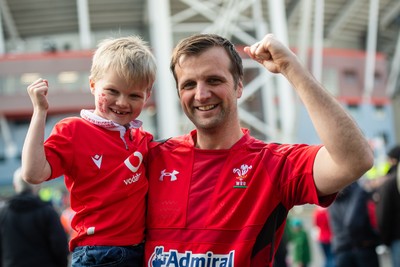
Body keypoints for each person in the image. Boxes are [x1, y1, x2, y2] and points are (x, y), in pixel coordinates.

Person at [145, 33, 373, 267]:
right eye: (189, 85)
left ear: (239, 86)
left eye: (214, 80)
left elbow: (354, 159)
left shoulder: (274, 164)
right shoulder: (152, 158)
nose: (201, 94)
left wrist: (290, 66)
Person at [21, 35, 156, 267]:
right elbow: (33, 173)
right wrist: (39, 112)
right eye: (112, 91)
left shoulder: (143, 139)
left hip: (141, 251)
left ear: (147, 97)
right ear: (93, 85)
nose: (123, 102)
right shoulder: (73, 130)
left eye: (134, 95)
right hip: (97, 254)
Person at [0, 167, 69, 267]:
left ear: (15, 186)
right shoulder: (47, 211)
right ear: (37, 186)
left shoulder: (3, 213)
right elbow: (60, 246)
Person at [328, 182, 380, 267]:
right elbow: (352, 223)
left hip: (341, 247)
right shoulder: (357, 191)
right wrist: (376, 236)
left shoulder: (331, 193)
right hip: (362, 246)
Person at [375, 145, 400, 267]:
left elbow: (383, 214)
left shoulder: (389, 183)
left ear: (394, 160)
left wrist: (384, 240)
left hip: (397, 237)